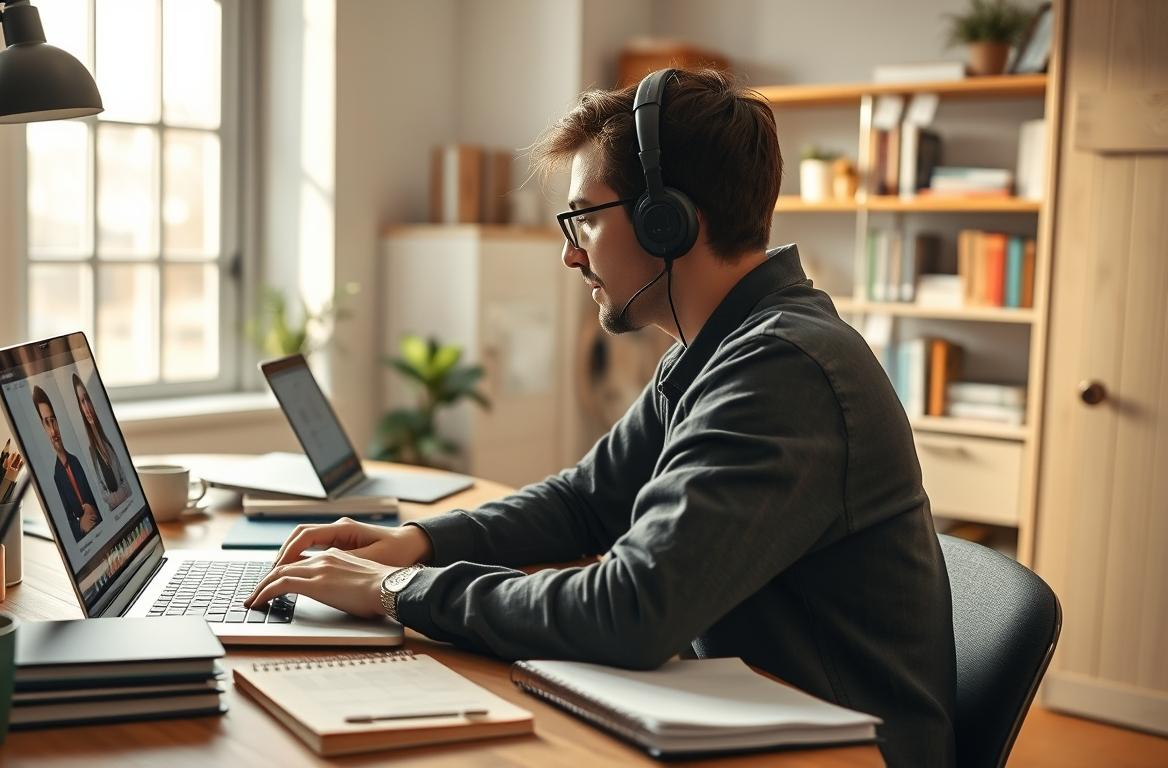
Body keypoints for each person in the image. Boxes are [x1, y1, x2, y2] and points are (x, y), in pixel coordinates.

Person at [244, 69, 956, 766]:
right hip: (752, 717)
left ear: (668, 221)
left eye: (585, 215)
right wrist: (416, 543)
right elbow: (587, 500)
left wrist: (399, 593)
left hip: (844, 751)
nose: (570, 252)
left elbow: (633, 610)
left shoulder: (785, 369)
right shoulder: (715, 351)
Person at [32, 385, 102, 541]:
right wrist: (80, 526)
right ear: (42, 428)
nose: (53, 431)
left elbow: (97, 495)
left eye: (53, 421)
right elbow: (65, 524)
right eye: (46, 424)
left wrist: (93, 508)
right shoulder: (55, 476)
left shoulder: (76, 461)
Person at [72, 373, 133, 512]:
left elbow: (125, 476)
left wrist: (121, 497)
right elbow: (99, 487)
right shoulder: (89, 451)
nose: (87, 407)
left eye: (87, 399)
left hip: (128, 504)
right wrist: (114, 500)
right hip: (115, 511)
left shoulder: (108, 439)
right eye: (82, 401)